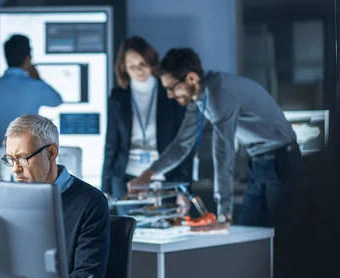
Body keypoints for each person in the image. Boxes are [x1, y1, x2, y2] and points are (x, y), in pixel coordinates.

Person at [129, 48, 304, 229]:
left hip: (282, 161)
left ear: (191, 78)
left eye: (171, 88)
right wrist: (146, 176)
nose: (169, 95)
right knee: (249, 234)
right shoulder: (198, 98)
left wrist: (223, 215)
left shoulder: (218, 93)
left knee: (282, 239)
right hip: (259, 162)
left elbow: (223, 153)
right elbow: (181, 145)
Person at [2, 114, 110, 278]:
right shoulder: (10, 201)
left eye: (22, 158)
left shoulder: (90, 202)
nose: (15, 169)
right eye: (11, 159)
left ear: (51, 152)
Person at [102, 36, 193, 214]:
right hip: (127, 180)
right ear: (124, 67)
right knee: (130, 236)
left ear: (152, 61)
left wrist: (185, 189)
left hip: (166, 178)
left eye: (142, 63)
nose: (138, 70)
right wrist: (104, 189)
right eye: (131, 65)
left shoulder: (170, 90)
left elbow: (184, 145)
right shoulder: (118, 96)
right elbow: (111, 144)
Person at [0, 34, 63, 175]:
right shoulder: (35, 87)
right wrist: (37, 77)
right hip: (31, 164)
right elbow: (57, 100)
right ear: (28, 58)